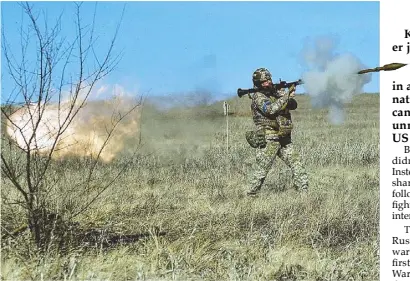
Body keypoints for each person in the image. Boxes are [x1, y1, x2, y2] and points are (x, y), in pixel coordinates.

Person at [245, 68, 308, 196]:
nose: (268, 82)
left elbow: (293, 105)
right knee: (261, 169)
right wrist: (285, 96)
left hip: (283, 136)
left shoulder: (275, 94)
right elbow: (270, 109)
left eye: (269, 79)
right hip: (269, 137)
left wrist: (286, 96)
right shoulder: (258, 96)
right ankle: (250, 195)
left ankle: (304, 195)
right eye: (264, 81)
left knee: (297, 164)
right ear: (258, 83)